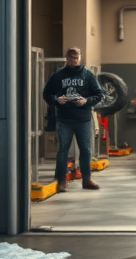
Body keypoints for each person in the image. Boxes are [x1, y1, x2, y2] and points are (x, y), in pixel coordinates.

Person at [42, 46, 104, 192]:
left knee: (86, 150)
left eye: (76, 57)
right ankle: (61, 181)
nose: (73, 60)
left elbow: (99, 95)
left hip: (83, 119)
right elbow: (46, 93)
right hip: (64, 120)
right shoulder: (58, 75)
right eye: (70, 58)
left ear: (80, 57)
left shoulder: (87, 75)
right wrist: (57, 100)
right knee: (63, 150)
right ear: (66, 58)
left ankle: (86, 180)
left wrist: (86, 101)